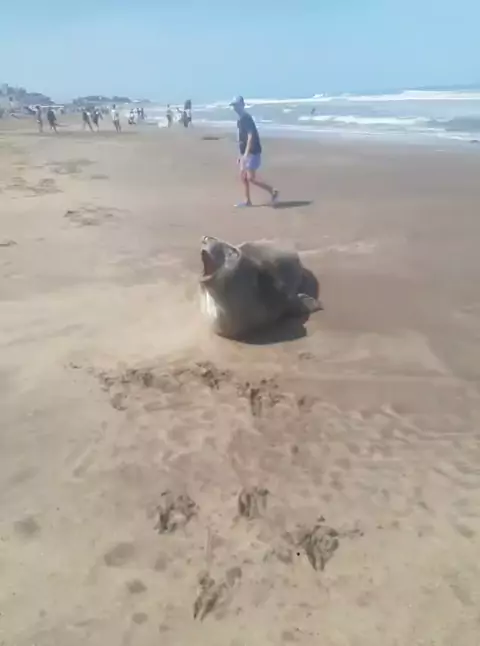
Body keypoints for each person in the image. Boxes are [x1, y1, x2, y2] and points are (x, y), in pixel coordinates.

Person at [230, 95, 278, 208]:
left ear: (242, 105)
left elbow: (250, 135)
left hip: (252, 152)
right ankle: (247, 201)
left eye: (237, 105)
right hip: (245, 152)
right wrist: (240, 155)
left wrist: (246, 154)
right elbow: (241, 138)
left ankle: (272, 191)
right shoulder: (240, 120)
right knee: (243, 176)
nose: (235, 108)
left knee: (251, 178)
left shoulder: (246, 118)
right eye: (234, 106)